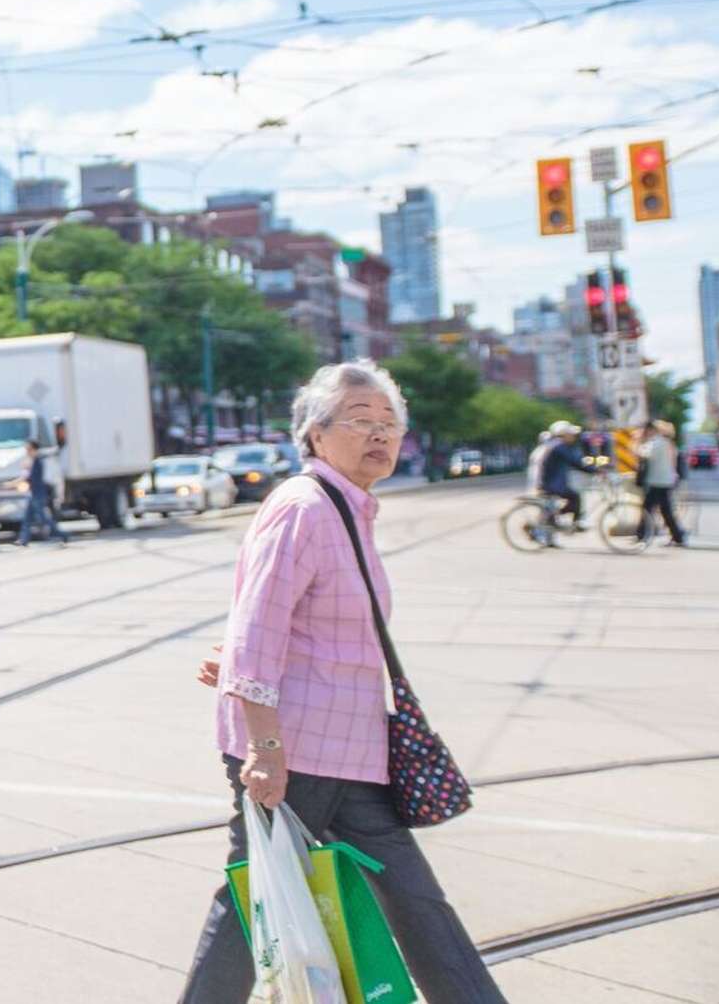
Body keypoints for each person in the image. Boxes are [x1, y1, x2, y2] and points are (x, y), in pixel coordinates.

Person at [180, 360, 504, 1004]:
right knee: (255, 897)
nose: (380, 434)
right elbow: (256, 631)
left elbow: (309, 630)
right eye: (361, 420)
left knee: (414, 897)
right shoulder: (303, 507)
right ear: (316, 434)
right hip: (295, 751)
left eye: (390, 423)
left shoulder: (348, 509)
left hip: (351, 751)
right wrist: (264, 749)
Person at [533, 419, 592, 534]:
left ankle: (553, 519)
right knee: (575, 497)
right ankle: (569, 522)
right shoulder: (559, 446)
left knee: (570, 498)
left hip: (550, 483)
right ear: (564, 434)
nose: (574, 436)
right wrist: (594, 470)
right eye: (571, 434)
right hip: (551, 484)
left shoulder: (554, 445)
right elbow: (575, 462)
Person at [637, 420, 686, 547]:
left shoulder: (657, 442)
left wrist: (637, 441)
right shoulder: (667, 443)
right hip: (664, 481)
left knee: (648, 509)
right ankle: (678, 536)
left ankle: (642, 534)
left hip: (657, 481)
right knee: (664, 510)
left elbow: (642, 453)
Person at [16, 438, 68, 546]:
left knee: (43, 519)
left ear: (34, 449)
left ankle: (62, 534)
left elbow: (32, 479)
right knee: (27, 518)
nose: (27, 452)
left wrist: (24, 475)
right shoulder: (34, 461)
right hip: (33, 494)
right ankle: (23, 540)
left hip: (38, 495)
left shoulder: (38, 462)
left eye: (29, 449)